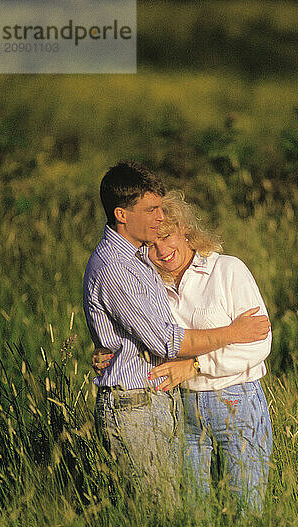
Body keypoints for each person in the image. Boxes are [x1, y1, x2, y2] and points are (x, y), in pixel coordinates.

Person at [83, 161, 271, 507]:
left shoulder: (227, 269)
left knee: (244, 505)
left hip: (236, 399)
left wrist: (196, 366)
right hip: (181, 406)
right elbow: (161, 340)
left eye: (166, 235)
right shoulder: (148, 277)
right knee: (191, 508)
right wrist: (110, 348)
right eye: (152, 244)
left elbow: (258, 343)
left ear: (184, 229)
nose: (161, 250)